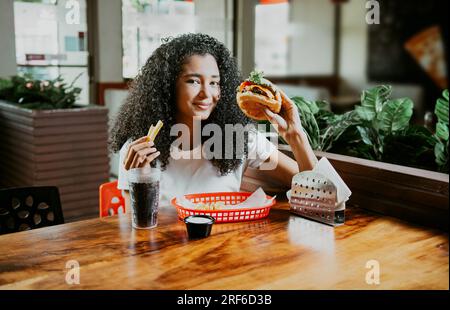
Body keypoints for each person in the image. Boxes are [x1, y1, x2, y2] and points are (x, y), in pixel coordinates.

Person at [109, 33, 317, 209]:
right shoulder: (140, 147)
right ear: (167, 86)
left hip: (223, 252)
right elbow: (134, 234)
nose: (207, 93)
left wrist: (296, 137)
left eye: (214, 83)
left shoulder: (239, 138)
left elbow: (316, 191)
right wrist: (142, 179)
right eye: (193, 81)